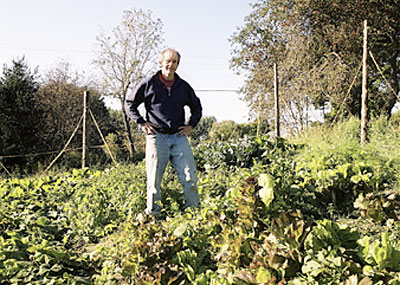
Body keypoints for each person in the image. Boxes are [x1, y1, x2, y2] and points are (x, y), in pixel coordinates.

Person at [125, 48, 202, 216]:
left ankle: (194, 215)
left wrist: (191, 125)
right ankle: (153, 216)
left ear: (177, 65)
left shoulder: (183, 87)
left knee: (190, 177)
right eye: (168, 61)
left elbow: (197, 107)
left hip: (179, 137)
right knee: (154, 180)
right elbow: (130, 103)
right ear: (160, 63)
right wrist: (141, 122)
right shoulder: (149, 84)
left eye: (174, 62)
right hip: (156, 136)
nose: (170, 65)